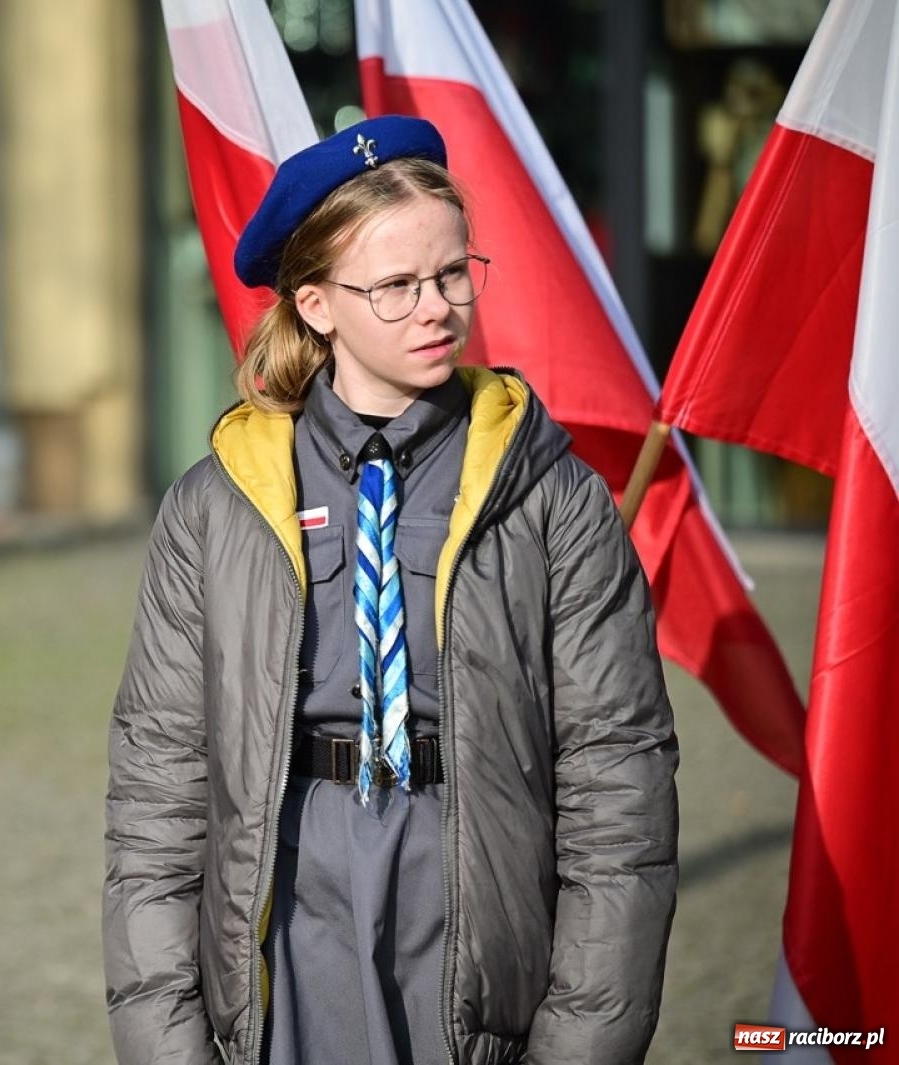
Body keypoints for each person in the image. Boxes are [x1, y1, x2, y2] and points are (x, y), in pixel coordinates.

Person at [102, 116, 678, 1065]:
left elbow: (619, 785)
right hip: (288, 910)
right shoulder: (219, 504)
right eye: (398, 286)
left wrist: (581, 1044)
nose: (438, 308)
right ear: (318, 304)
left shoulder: (549, 491)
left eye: (454, 273)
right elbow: (158, 790)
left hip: (477, 904)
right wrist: (167, 1043)